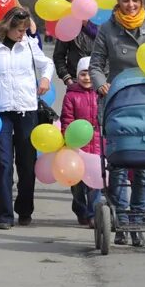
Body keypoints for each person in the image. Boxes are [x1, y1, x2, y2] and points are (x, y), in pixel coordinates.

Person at [90, 0, 145, 247]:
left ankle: (137, 221)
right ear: (118, 1)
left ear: (141, 1)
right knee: (120, 167)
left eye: (135, 0)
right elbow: (96, 65)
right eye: (125, 0)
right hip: (119, 106)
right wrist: (102, 85)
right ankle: (120, 221)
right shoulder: (107, 29)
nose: (131, 5)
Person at [0, 6, 53, 231]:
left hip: (27, 109)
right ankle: (4, 214)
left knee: (26, 162)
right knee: (3, 163)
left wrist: (44, 79)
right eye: (18, 29)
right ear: (7, 26)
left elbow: (47, 64)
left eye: (25, 30)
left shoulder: (30, 45)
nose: (22, 34)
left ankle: (24, 209)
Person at [60, 57, 100, 227]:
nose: (87, 78)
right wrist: (67, 138)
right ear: (77, 75)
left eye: (90, 74)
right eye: (83, 74)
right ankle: (80, 208)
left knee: (95, 182)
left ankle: (93, 214)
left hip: (97, 144)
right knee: (77, 183)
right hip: (77, 145)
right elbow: (67, 119)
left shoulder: (101, 93)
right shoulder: (71, 95)